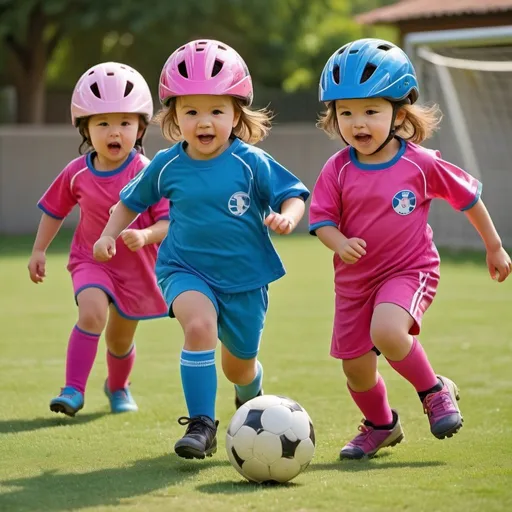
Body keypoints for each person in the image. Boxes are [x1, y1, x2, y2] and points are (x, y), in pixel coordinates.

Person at [93, 39, 310, 459]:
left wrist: (288, 216)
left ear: (236, 114)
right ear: (174, 117)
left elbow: (293, 194)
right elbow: (129, 202)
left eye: (216, 110)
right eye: (191, 111)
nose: (204, 121)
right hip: (184, 268)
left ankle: (250, 393)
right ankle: (201, 425)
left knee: (239, 366)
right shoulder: (168, 164)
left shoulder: (251, 162)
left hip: (246, 281)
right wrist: (106, 235)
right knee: (198, 328)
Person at [309, 38, 511, 460]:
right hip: (353, 284)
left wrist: (494, 247)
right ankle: (382, 426)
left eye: (371, 111)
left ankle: (433, 391)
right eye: (346, 112)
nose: (357, 123)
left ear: (399, 113)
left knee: (387, 330)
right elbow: (321, 221)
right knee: (356, 370)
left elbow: (468, 199)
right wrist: (340, 242)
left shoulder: (420, 163)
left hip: (408, 270)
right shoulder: (338, 168)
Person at [28, 62, 170, 417]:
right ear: (86, 129)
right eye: (102, 122)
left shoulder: (148, 172)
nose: (114, 131)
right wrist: (39, 250)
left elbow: (170, 223)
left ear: (139, 128)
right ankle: (73, 389)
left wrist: (145, 234)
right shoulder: (76, 172)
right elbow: (54, 210)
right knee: (91, 315)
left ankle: (118, 386)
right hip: (90, 261)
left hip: (137, 270)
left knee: (119, 341)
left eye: (124, 122)